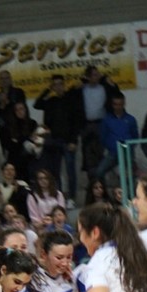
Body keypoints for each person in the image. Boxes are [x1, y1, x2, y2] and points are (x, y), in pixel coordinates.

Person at [34, 75, 82, 205]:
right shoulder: (51, 101)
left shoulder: (70, 99)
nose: (58, 86)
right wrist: (47, 90)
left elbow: (76, 123)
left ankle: (72, 198)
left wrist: (74, 141)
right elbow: (37, 104)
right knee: (55, 171)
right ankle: (58, 197)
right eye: (55, 84)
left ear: (64, 85)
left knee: (70, 171)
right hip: (54, 141)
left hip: (68, 141)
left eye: (60, 84)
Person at [94, 92, 139, 183]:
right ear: (112, 105)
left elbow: (135, 136)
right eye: (115, 104)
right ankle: (102, 190)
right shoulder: (107, 120)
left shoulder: (131, 119)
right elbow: (103, 137)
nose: (118, 107)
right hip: (112, 153)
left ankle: (132, 191)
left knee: (130, 175)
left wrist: (129, 147)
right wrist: (110, 146)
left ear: (124, 104)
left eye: (120, 104)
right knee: (99, 172)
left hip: (127, 153)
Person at [0, 102, 39, 184]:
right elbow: (8, 145)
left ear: (26, 110)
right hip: (15, 160)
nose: (19, 112)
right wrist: (26, 139)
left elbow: (35, 141)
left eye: (21, 109)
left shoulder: (32, 123)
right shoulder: (7, 127)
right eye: (16, 110)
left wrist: (17, 141)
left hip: (30, 160)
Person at [0, 70, 27, 155]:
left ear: (10, 79)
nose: (4, 80)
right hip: (4, 130)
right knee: (9, 157)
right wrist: (1, 106)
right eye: (1, 78)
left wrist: (8, 102)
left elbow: (22, 109)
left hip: (19, 128)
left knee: (23, 154)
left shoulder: (18, 92)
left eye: (6, 78)